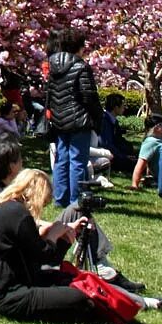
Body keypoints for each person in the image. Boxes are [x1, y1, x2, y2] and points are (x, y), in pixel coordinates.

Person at [0, 169, 162, 323]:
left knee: (79, 280)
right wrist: (58, 233)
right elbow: (43, 257)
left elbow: (36, 258)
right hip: (4, 295)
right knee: (82, 298)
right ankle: (140, 306)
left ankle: (151, 303)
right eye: (45, 201)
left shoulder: (0, 208)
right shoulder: (17, 214)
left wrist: (62, 236)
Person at [0, 136, 143, 293]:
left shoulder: (3, 187)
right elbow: (12, 228)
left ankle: (101, 263)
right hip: (22, 258)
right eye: (20, 160)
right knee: (74, 214)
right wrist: (54, 229)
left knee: (78, 209)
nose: (22, 164)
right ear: (11, 166)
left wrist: (58, 228)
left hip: (30, 242)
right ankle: (101, 268)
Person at [44, 28, 101, 208]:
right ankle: (76, 200)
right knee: (77, 161)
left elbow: (50, 94)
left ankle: (60, 198)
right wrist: (97, 115)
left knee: (62, 159)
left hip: (60, 119)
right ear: (79, 47)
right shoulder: (81, 66)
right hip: (79, 119)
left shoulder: (52, 66)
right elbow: (88, 95)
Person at [96, 94, 136, 174]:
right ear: (116, 107)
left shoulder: (112, 121)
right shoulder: (105, 121)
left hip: (117, 153)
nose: (125, 108)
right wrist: (124, 156)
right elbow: (107, 144)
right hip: (110, 155)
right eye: (123, 106)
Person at [131, 116, 162, 190]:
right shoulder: (151, 142)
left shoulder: (160, 140)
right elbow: (141, 164)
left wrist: (149, 176)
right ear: (157, 128)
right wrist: (135, 184)